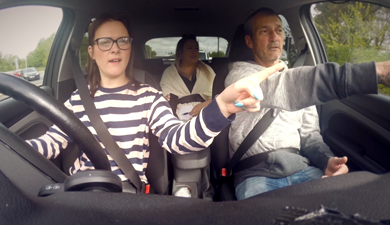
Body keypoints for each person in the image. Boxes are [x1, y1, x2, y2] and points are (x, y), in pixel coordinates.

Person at [25, 12, 389, 190]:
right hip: (78, 194)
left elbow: (180, 138)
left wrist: (221, 110)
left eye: (122, 41)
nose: (114, 48)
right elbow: (47, 143)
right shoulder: (76, 101)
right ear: (91, 52)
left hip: (127, 198)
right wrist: (15, 149)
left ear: (130, 47)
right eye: (105, 42)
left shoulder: (149, 96)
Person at [224, 7, 390, 200]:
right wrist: (376, 71)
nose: (274, 37)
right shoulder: (238, 76)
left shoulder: (299, 82)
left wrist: (326, 161)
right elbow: (285, 87)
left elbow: (310, 136)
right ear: (249, 41)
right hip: (256, 175)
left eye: (279, 30)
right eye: (264, 31)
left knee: (353, 206)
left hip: (303, 170)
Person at [160, 34, 215, 121]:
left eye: (196, 48)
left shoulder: (207, 71)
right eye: (189, 48)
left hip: (205, 117)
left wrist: (204, 104)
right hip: (177, 120)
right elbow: (166, 100)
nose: (194, 51)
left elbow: (218, 97)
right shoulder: (169, 73)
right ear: (181, 52)